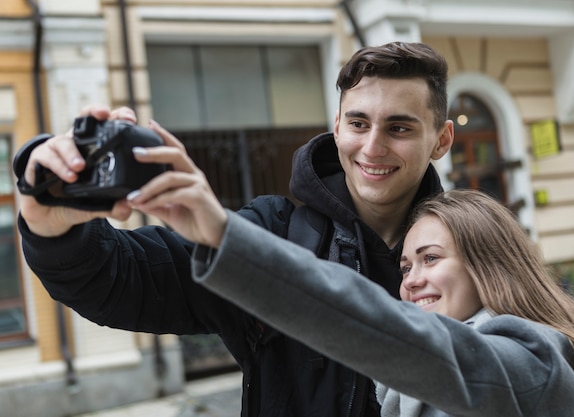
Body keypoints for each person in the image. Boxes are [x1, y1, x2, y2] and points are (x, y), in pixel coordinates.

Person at [16, 41, 454, 417]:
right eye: (359, 123)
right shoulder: (272, 235)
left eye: (399, 128)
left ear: (442, 140)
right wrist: (50, 226)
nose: (373, 146)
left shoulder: (473, 248)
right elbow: (127, 280)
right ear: (337, 128)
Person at [126, 163, 574, 417]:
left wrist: (226, 238)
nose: (411, 279)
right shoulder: (399, 395)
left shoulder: (535, 362)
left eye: (431, 259)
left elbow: (392, 335)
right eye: (405, 265)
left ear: (489, 266)